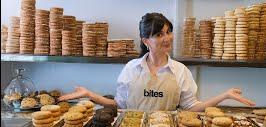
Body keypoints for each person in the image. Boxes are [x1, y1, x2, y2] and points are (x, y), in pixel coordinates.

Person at [58, 12, 255, 111]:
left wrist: (224, 96)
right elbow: (119, 105)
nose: (167, 38)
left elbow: (192, 108)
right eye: (159, 34)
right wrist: (89, 94)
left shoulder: (179, 70)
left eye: (169, 32)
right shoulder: (131, 69)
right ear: (146, 41)